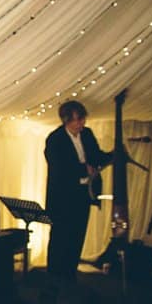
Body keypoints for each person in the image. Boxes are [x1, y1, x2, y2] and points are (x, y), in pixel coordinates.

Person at [43, 100, 102, 282]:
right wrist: (83, 169)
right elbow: (59, 167)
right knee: (60, 239)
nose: (80, 124)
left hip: (82, 194)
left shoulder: (88, 134)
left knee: (77, 237)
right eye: (76, 120)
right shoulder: (55, 139)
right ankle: (54, 277)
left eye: (82, 119)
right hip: (62, 199)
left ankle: (69, 275)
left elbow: (96, 155)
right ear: (66, 120)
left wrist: (112, 155)